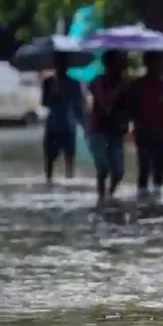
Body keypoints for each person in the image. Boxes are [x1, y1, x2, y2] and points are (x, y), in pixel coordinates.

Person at [129, 52, 163, 204]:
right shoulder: (137, 84)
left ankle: (156, 203)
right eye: (154, 63)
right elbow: (132, 109)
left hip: (160, 131)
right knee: (144, 169)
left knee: (159, 170)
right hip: (143, 131)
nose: (157, 66)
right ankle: (142, 202)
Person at [87, 50, 130, 209]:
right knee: (103, 165)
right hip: (98, 131)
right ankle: (101, 197)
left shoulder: (125, 84)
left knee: (118, 171)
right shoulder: (97, 82)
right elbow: (106, 105)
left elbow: (128, 109)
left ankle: (109, 196)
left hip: (115, 132)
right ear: (109, 65)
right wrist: (119, 89)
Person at [41, 52, 85, 185]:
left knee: (69, 157)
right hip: (53, 124)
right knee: (49, 157)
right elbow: (44, 102)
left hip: (68, 124)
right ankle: (48, 181)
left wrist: (83, 123)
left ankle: (70, 181)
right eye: (58, 63)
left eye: (63, 64)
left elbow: (79, 104)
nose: (61, 67)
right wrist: (54, 93)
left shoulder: (74, 83)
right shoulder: (48, 83)